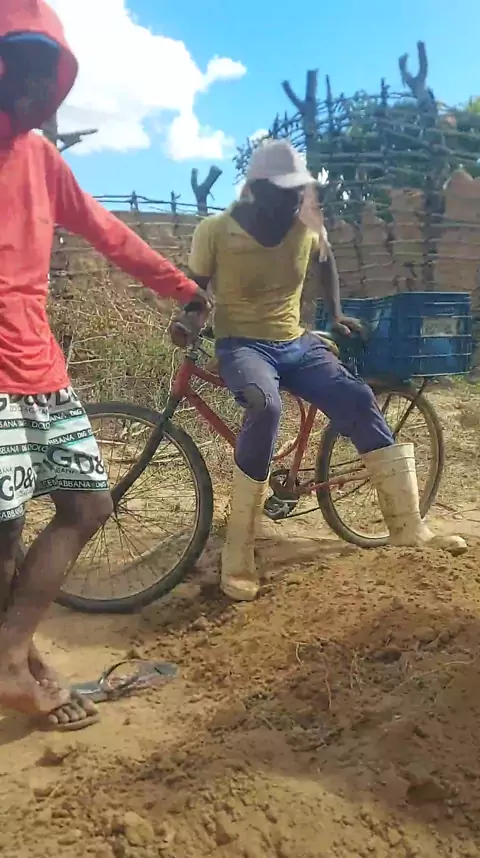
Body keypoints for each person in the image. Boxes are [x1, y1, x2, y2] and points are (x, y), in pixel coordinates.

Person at [0, 0, 210, 730]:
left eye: (45, 72)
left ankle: (12, 654)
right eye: (20, 66)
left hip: (41, 369)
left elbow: (108, 232)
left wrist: (185, 288)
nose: (35, 86)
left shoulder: (41, 158)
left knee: (88, 505)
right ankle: (21, 665)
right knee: (2, 536)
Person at [182, 139, 466, 602]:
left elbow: (326, 258)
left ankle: (409, 527)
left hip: (296, 343)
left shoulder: (305, 228)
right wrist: (188, 321)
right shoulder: (215, 231)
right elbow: (194, 291)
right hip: (243, 345)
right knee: (265, 406)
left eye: (299, 191)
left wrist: (334, 312)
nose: (295, 200)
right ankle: (238, 554)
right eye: (285, 192)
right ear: (257, 188)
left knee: (357, 397)